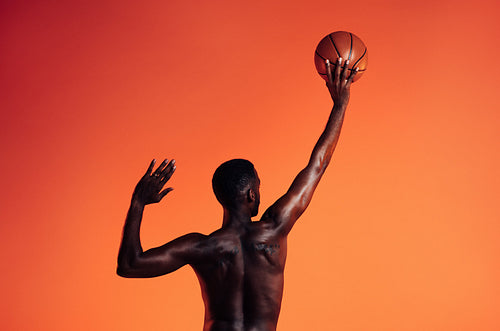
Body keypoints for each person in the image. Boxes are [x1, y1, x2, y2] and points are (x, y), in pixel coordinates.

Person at [117, 58, 358, 331]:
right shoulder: (274, 228)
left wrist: (138, 201)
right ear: (251, 195)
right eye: (259, 186)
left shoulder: (201, 247)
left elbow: (130, 265)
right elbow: (318, 164)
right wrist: (340, 104)